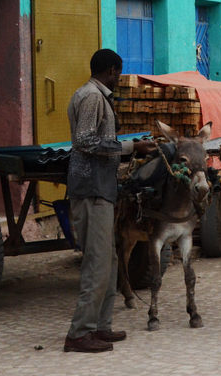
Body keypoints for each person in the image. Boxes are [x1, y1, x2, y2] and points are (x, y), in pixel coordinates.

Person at [65, 49, 156, 353]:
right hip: (91, 190)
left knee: (110, 260)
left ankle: (101, 326)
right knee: (97, 262)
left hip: (100, 187)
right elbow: (85, 141)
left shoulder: (92, 95)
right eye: (118, 73)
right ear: (112, 71)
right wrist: (132, 146)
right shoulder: (92, 97)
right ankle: (80, 333)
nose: (119, 78)